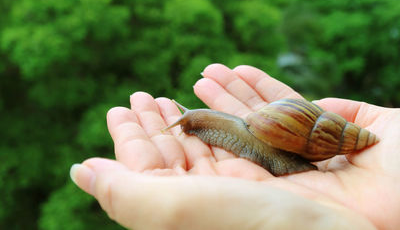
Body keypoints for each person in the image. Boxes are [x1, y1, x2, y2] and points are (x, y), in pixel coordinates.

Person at [70, 64, 400, 230]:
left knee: (238, 131)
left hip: (301, 139)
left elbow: (246, 132)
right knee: (233, 128)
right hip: (297, 136)